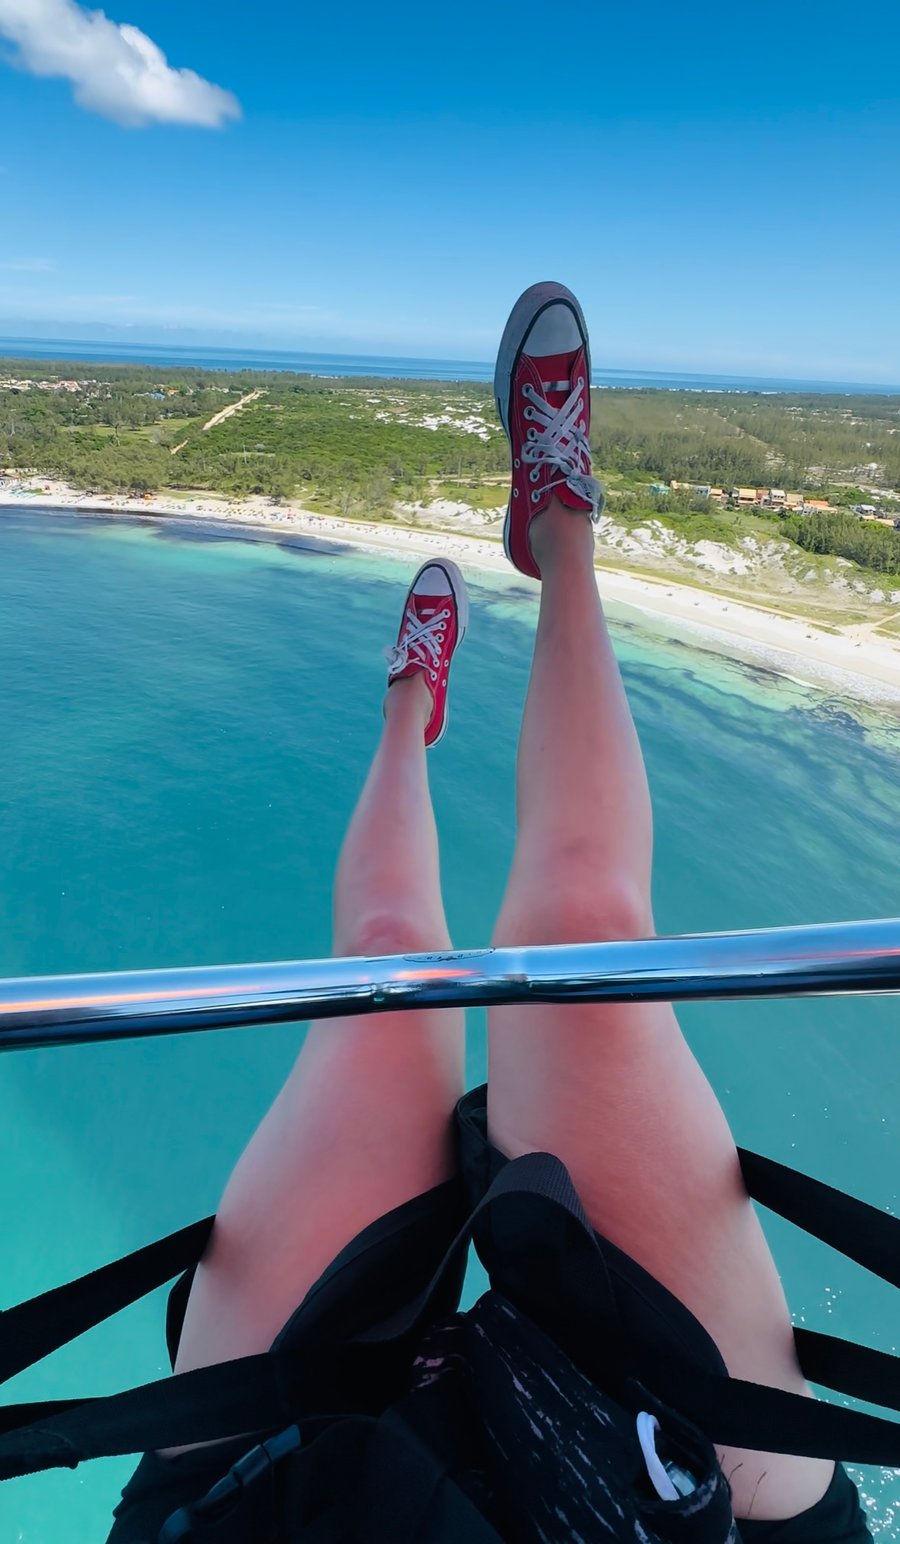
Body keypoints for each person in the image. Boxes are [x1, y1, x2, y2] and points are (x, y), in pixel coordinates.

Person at [99, 282, 870, 1541]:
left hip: (278, 1502)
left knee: (392, 967)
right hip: (682, 1508)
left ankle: (411, 701)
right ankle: (562, 526)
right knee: (584, 925)